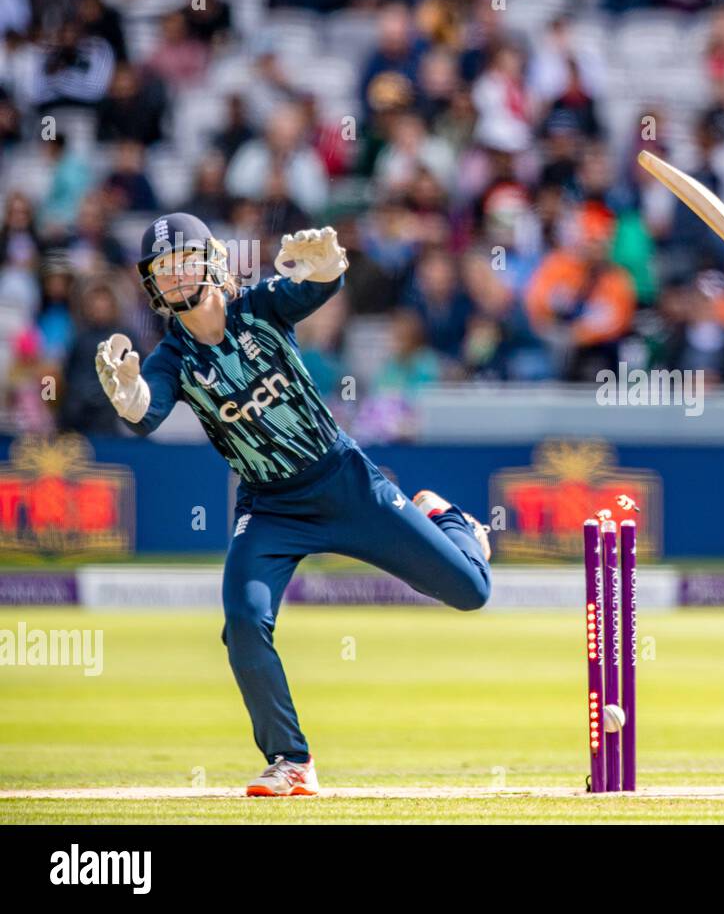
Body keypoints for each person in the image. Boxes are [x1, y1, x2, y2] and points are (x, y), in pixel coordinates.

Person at [95, 213, 492, 796]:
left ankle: (445, 517)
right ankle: (290, 759)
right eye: (163, 268)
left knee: (471, 591)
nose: (176, 275)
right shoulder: (172, 358)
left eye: (184, 259)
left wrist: (329, 267)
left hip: (344, 481)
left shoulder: (258, 309)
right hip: (270, 508)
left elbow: (316, 287)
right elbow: (147, 411)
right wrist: (128, 398)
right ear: (152, 283)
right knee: (243, 622)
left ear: (211, 261)